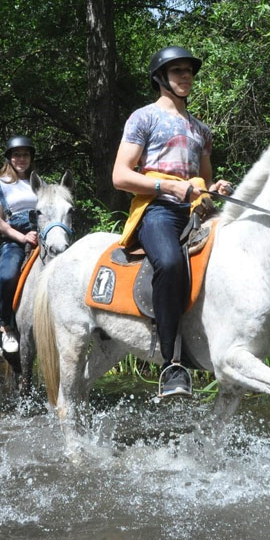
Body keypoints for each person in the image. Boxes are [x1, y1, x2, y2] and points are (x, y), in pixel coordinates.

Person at [111, 46, 233, 397]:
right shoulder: (143, 118)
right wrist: (168, 186)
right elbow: (120, 176)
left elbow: (204, 179)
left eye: (189, 71)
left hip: (197, 210)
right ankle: (171, 365)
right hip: (157, 209)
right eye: (177, 71)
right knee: (168, 261)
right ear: (160, 78)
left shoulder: (201, 129)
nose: (185, 77)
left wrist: (215, 187)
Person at [0, 135, 39, 353]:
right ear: (9, 158)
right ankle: (7, 324)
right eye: (17, 155)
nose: (21, 158)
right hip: (14, 238)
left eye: (25, 155)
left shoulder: (40, 183)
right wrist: (22, 237)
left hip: (42, 234)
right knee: (8, 275)